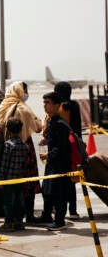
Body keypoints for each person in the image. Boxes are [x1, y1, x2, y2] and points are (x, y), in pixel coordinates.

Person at [0, 81, 42, 223]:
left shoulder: (1, 107)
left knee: (9, 187)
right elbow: (38, 128)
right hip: (25, 147)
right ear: (20, 92)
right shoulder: (24, 108)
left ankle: (10, 217)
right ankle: (29, 215)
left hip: (6, 147)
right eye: (24, 91)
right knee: (28, 182)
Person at [36, 91, 71, 231]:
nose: (45, 106)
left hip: (60, 164)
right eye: (44, 103)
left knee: (59, 193)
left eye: (48, 103)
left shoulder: (60, 123)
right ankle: (46, 215)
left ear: (57, 105)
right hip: (52, 163)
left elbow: (62, 147)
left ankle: (60, 221)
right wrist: (47, 140)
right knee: (47, 190)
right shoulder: (51, 121)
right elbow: (54, 140)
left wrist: (48, 155)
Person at [54, 81, 81, 220]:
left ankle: (59, 209)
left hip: (64, 146)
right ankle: (73, 210)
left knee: (62, 180)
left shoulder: (60, 108)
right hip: (75, 145)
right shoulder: (75, 105)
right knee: (72, 179)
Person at [0, 117, 28, 231]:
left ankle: (9, 222)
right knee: (19, 200)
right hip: (20, 177)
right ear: (21, 130)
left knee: (8, 201)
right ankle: (19, 221)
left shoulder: (8, 145)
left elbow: (4, 163)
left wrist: (1, 179)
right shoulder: (24, 145)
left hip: (9, 178)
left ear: (8, 130)